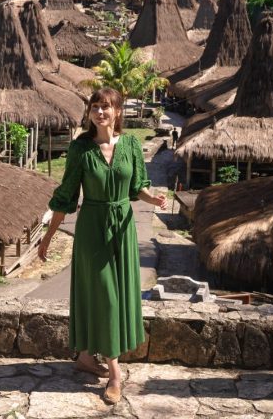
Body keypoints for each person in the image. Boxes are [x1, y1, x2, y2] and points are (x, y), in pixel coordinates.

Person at [38, 87, 167, 404]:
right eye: (95, 106)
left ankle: (84, 356)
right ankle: (115, 374)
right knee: (105, 297)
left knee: (112, 296)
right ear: (90, 113)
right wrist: (49, 236)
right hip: (92, 229)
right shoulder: (81, 149)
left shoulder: (132, 145)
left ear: (118, 112)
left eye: (106, 107)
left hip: (122, 229)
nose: (100, 112)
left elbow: (138, 187)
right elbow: (66, 195)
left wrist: (154, 199)